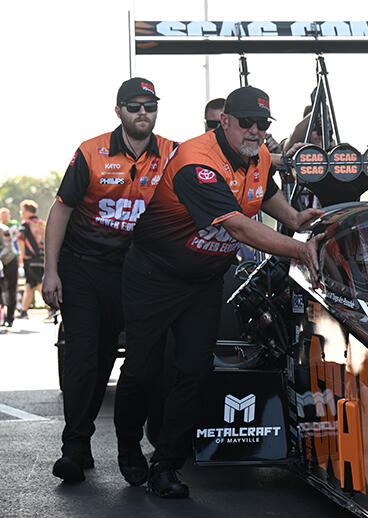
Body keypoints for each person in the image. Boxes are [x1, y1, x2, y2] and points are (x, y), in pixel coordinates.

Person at [113, 86, 323, 499]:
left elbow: (265, 193)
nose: (255, 131)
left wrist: (296, 217)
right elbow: (240, 227)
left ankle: (166, 464)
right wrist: (301, 249)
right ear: (224, 120)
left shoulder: (258, 154)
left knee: (194, 370)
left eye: (263, 124)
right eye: (246, 122)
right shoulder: (196, 160)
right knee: (143, 369)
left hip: (203, 281)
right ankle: (127, 446)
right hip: (154, 276)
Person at [40, 77, 178, 483]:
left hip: (138, 271)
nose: (143, 113)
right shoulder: (91, 151)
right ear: (118, 110)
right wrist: (51, 272)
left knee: (137, 361)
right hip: (82, 266)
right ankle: (75, 448)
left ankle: (131, 445)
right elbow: (61, 210)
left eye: (149, 107)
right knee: (84, 354)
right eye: (134, 106)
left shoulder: (172, 153)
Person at [17, 200, 45, 319]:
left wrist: (23, 255)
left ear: (28, 211)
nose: (21, 213)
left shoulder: (26, 224)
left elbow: (20, 239)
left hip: (31, 259)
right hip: (43, 258)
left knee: (39, 283)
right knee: (30, 285)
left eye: (22, 211)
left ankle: (53, 307)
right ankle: (23, 311)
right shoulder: (42, 224)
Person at [1, 218, 17, 327]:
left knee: (11, 289)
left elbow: (8, 246)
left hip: (9, 260)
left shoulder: (4, 229)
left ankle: (10, 317)